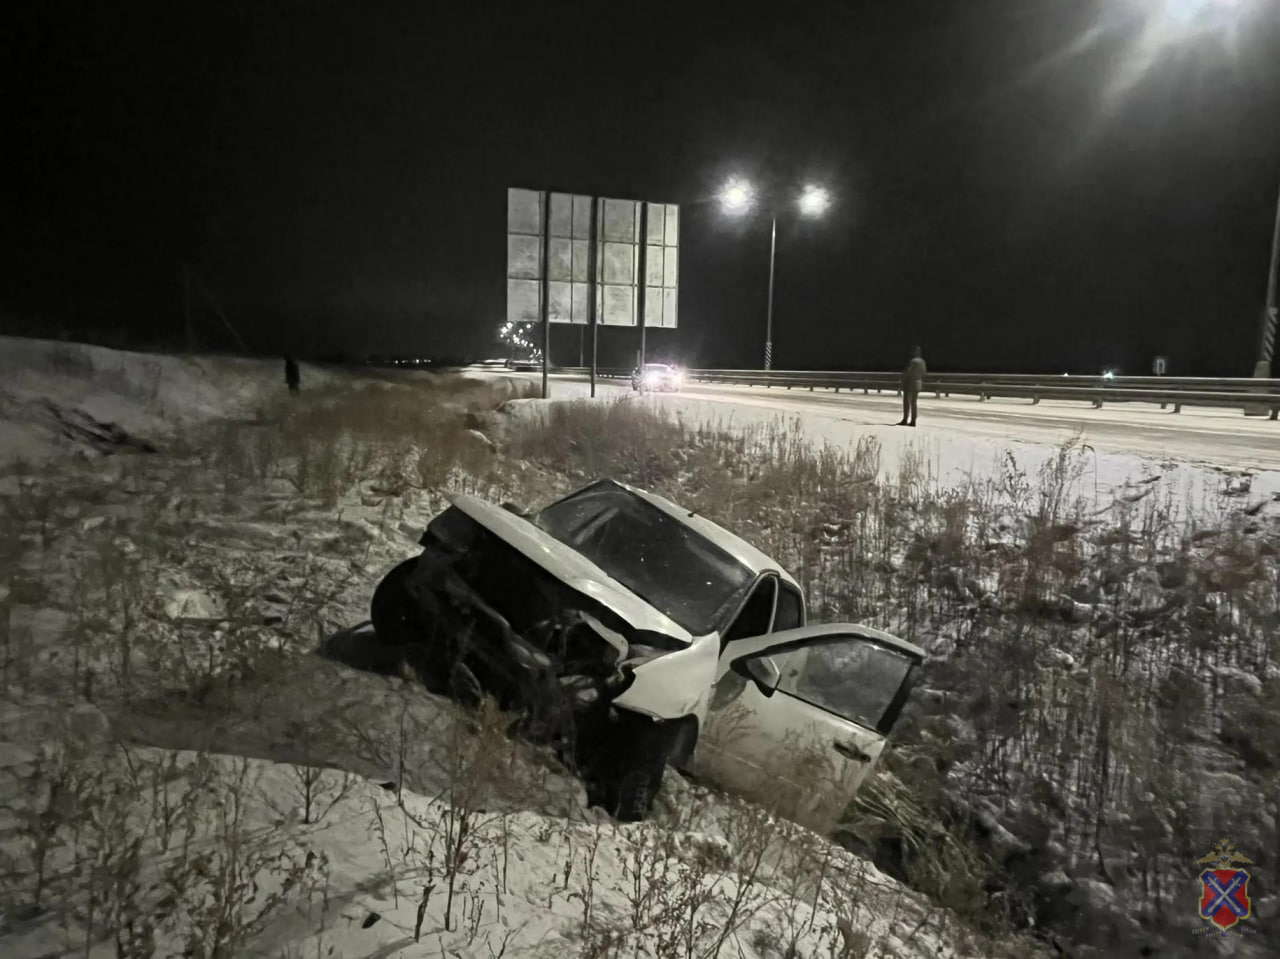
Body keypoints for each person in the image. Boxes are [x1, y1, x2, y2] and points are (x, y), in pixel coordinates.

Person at [898, 346, 926, 426]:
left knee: (907, 402)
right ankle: (913, 420)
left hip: (910, 384)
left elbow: (908, 372)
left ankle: (905, 419)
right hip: (918, 383)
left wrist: (903, 378)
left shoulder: (913, 361)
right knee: (914, 403)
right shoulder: (922, 361)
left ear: (915, 352)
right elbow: (924, 372)